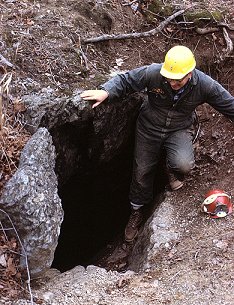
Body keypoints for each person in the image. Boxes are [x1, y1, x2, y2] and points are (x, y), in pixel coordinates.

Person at [80, 45, 234, 243]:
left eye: (177, 80)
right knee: (142, 171)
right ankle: (136, 211)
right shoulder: (154, 73)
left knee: (184, 164)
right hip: (149, 127)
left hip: (178, 129)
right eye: (169, 78)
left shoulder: (205, 85)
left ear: (190, 73)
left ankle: (170, 168)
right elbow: (126, 80)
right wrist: (106, 92)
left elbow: (228, 105)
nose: (172, 83)